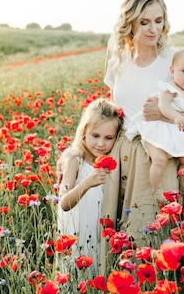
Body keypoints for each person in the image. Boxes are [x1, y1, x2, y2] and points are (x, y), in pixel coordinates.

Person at [101, 0, 184, 253]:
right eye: (144, 22)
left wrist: (161, 113)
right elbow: (117, 108)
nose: (153, 29)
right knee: (117, 236)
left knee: (148, 239)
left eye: (158, 21)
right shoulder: (119, 59)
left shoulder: (172, 59)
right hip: (121, 154)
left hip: (156, 158)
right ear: (130, 22)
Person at [127, 43, 184, 202]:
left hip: (177, 132)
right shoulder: (169, 88)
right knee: (160, 159)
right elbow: (162, 106)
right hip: (158, 128)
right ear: (173, 71)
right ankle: (157, 190)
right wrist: (176, 117)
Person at [56, 97, 123, 279]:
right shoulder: (74, 159)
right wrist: (87, 182)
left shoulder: (109, 162)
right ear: (84, 132)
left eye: (108, 138)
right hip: (77, 235)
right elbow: (64, 203)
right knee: (76, 277)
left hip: (98, 234)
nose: (101, 144)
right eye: (95, 136)